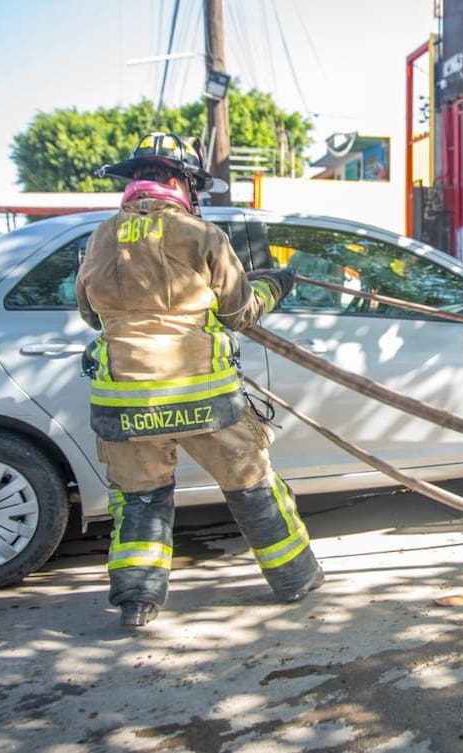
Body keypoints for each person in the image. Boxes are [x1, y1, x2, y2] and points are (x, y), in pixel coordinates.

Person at [75, 131, 324, 628]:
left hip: (123, 402)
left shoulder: (99, 237)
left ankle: (136, 601)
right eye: (192, 187)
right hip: (201, 398)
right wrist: (277, 283)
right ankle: (295, 577)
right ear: (176, 181)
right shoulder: (202, 236)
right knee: (252, 484)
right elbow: (239, 313)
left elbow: (89, 314)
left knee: (139, 499)